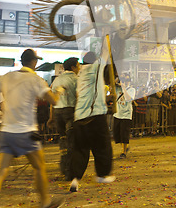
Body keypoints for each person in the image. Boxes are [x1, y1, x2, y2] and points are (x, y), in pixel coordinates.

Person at [0, 49, 63, 208]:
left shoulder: (6, 77)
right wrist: (60, 91)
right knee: (39, 167)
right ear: (34, 62)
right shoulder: (35, 79)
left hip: (6, 131)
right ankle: (46, 202)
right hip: (26, 132)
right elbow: (54, 101)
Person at [70, 51, 115, 193]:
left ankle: (75, 179)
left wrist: (107, 99)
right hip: (95, 116)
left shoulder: (80, 75)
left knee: (80, 150)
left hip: (79, 116)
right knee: (103, 147)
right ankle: (102, 174)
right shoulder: (95, 68)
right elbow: (106, 53)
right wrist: (108, 31)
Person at [49, 57, 80, 180]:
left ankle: (63, 169)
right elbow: (79, 97)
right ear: (73, 67)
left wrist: (51, 117)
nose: (79, 68)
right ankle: (70, 171)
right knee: (72, 142)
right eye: (78, 66)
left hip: (57, 112)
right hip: (70, 111)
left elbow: (52, 100)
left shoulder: (57, 80)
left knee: (63, 141)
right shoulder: (76, 79)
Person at [113, 74, 135, 158]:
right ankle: (124, 147)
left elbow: (128, 98)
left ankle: (123, 152)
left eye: (127, 80)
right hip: (117, 114)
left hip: (126, 115)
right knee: (117, 134)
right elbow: (110, 86)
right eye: (123, 80)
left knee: (124, 134)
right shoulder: (117, 88)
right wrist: (116, 80)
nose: (125, 82)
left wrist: (124, 88)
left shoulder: (131, 89)